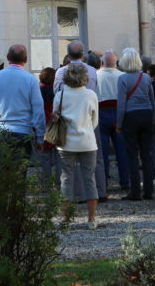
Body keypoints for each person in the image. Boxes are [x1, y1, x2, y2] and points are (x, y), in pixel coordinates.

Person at [54, 40, 106, 202]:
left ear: (68, 55)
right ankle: (99, 191)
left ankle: (75, 195)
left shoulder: (61, 72)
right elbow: (95, 91)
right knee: (95, 159)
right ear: (83, 54)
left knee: (68, 167)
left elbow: (57, 92)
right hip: (88, 118)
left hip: (67, 119)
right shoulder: (91, 71)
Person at [54, 62, 100, 230]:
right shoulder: (90, 94)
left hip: (66, 142)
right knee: (89, 179)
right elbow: (95, 121)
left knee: (66, 179)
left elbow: (56, 116)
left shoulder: (60, 94)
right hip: (87, 141)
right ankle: (92, 218)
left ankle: (66, 220)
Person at [0, 44, 46, 161]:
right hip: (23, 132)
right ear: (26, 59)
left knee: (1, 171)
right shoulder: (30, 79)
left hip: (0, 131)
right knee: (20, 173)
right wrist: (39, 137)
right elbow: (38, 109)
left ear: (7, 57)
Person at [116, 48, 155, 200]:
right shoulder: (145, 77)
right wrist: (152, 119)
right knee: (147, 154)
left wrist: (119, 124)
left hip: (130, 116)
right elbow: (152, 101)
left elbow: (121, 104)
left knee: (132, 155)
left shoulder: (123, 79)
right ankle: (149, 191)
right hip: (146, 114)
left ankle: (135, 192)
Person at [96, 51, 129, 191]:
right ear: (116, 63)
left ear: (102, 62)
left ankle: (103, 182)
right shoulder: (122, 76)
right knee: (122, 149)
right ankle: (125, 181)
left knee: (102, 151)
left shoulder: (96, 75)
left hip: (101, 112)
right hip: (118, 113)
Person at [37, 67, 60, 191]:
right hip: (56, 124)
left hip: (44, 125)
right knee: (59, 155)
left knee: (45, 156)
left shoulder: (39, 91)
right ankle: (59, 182)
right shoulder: (57, 91)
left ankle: (46, 184)